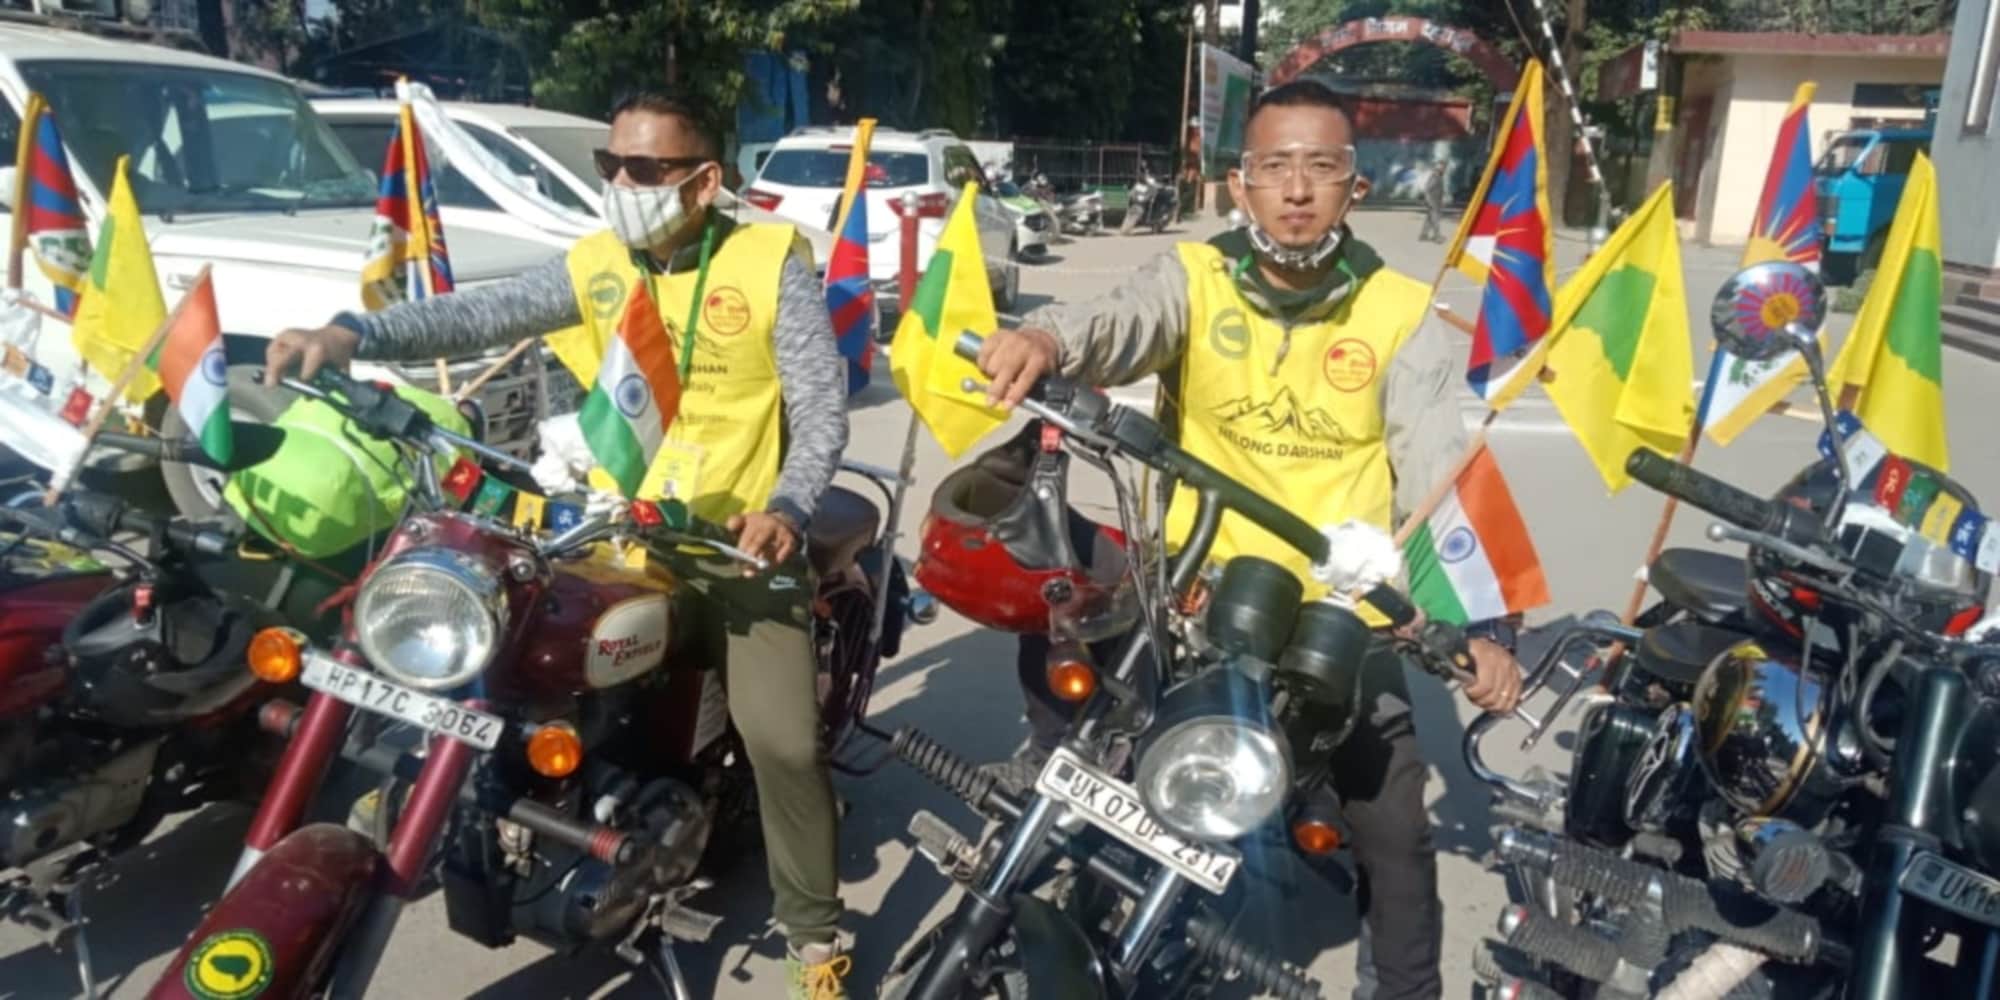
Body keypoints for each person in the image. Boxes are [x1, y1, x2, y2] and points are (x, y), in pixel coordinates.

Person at [263, 92, 856, 1000]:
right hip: (621, 534)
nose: (622, 184)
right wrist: (355, 333)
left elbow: (820, 406)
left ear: (705, 182)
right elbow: (479, 315)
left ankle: (815, 943)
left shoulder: (769, 262)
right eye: (609, 166)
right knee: (514, 661)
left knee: (782, 744)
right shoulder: (599, 264)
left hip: (739, 550)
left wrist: (785, 506)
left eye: (647, 171)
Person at [972, 80, 1524, 1000]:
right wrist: (1046, 337)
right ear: (1242, 185)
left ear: (1354, 185)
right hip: (1190, 588)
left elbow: (1438, 473)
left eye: (1321, 168)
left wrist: (1480, 631)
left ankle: (1406, 989)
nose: (1298, 190)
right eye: (1275, 168)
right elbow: (1117, 320)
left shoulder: (1397, 312)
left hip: (1338, 608)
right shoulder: (1196, 276)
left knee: (1393, 825)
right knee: (1073, 732)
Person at [1419, 156, 1448, 243]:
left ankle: (1423, 235)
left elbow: (1438, 190)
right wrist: (1429, 201)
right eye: (1443, 167)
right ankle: (1437, 237)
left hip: (1435, 201)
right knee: (1435, 219)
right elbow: (1427, 189)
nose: (1444, 169)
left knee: (1430, 219)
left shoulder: (1438, 176)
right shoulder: (1435, 176)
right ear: (1439, 167)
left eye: (1444, 167)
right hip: (1432, 202)